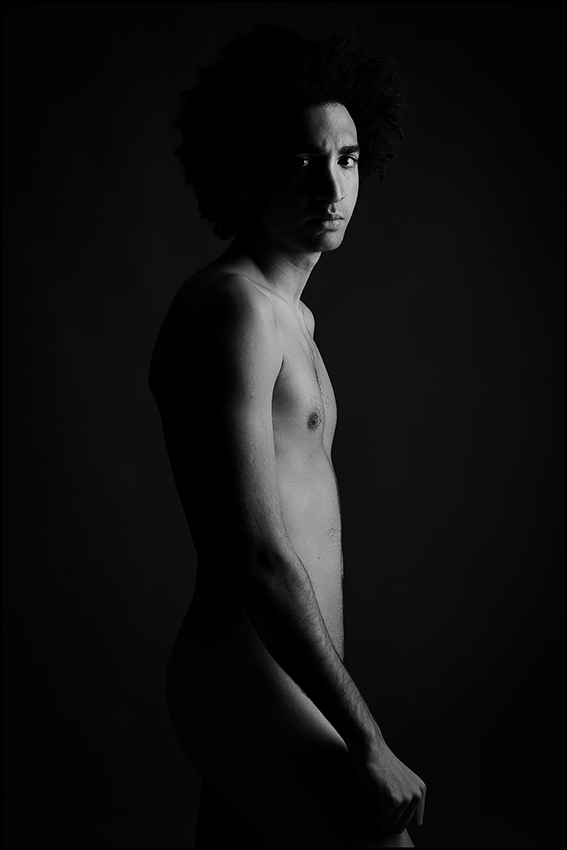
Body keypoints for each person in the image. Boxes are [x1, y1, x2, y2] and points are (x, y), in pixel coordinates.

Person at [149, 24, 426, 847]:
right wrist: (366, 740)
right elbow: (257, 557)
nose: (329, 185)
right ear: (243, 174)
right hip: (251, 674)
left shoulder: (289, 317)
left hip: (285, 672)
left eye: (346, 159)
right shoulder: (233, 309)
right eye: (301, 161)